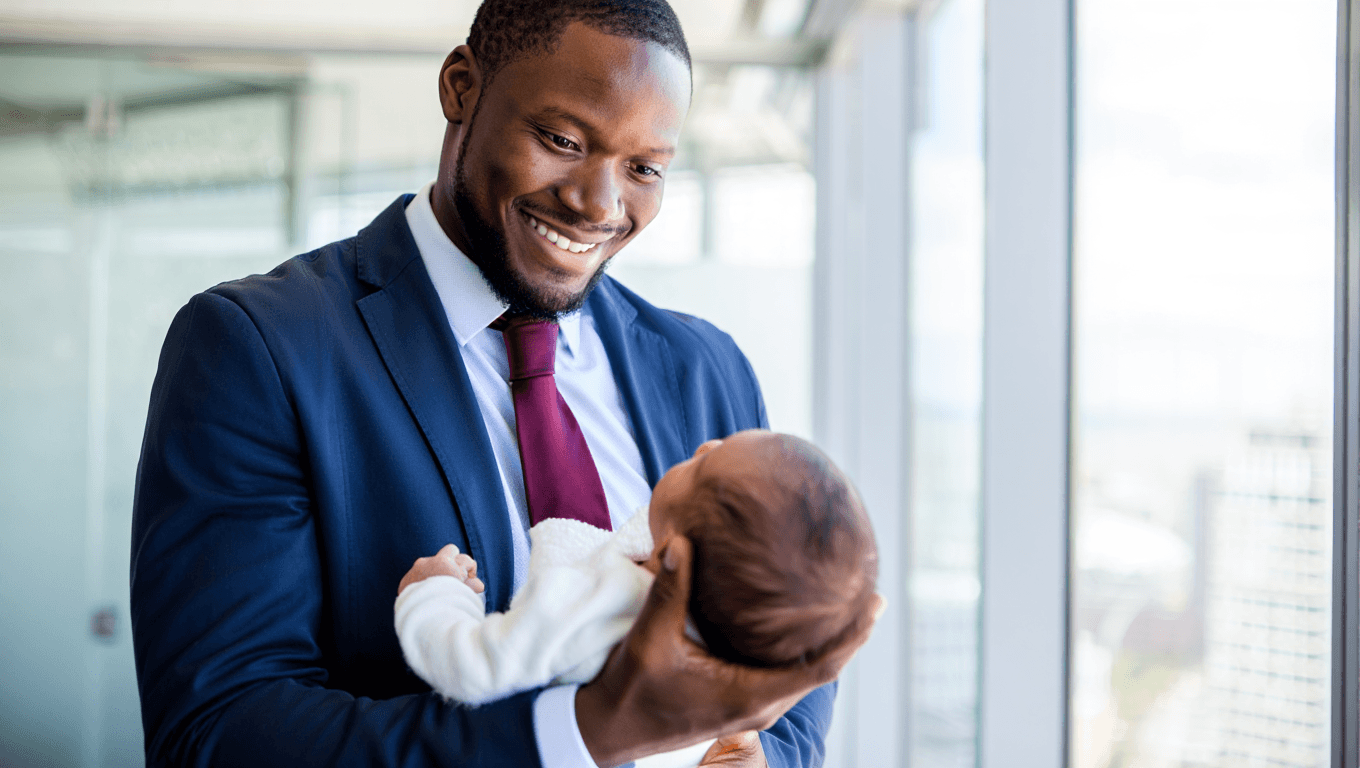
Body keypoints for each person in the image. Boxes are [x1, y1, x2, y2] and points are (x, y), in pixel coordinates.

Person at [128, 0, 881, 765]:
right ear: (461, 87)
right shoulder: (261, 347)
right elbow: (218, 732)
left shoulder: (706, 369)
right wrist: (586, 734)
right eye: (562, 140)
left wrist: (764, 758)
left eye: (644, 168)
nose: (599, 204)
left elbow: (778, 638)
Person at [394, 431, 880, 767]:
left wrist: (436, 593)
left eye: (706, 465)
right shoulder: (733, 636)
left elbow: (473, 663)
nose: (707, 443)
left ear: (674, 556)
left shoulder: (599, 605)